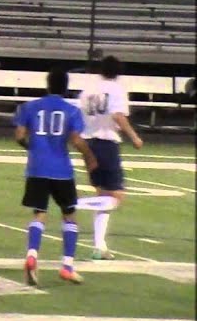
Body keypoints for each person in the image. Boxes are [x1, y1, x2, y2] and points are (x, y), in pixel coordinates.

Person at [14, 69, 98, 286]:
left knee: (39, 213)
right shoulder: (71, 111)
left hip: (37, 168)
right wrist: (90, 158)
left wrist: (33, 148)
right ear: (66, 87)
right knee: (69, 215)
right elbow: (77, 141)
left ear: (48, 85)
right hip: (61, 169)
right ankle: (67, 266)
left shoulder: (30, 107)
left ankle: (32, 254)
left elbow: (20, 136)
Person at [75, 55, 144, 260]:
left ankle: (99, 245)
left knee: (103, 196)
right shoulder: (116, 89)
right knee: (115, 196)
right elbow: (118, 115)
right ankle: (76, 203)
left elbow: (80, 117)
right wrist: (134, 137)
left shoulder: (88, 90)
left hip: (88, 142)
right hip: (106, 142)